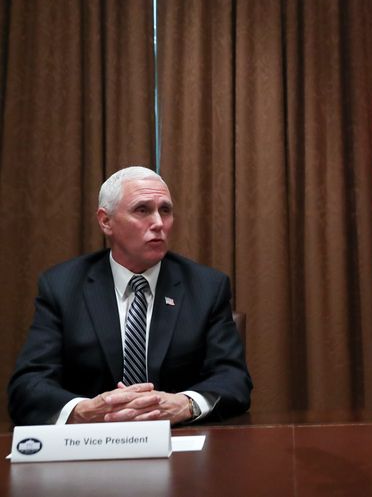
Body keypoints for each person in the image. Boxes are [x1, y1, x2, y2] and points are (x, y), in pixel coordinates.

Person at [8, 166, 252, 425]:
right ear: (106, 221)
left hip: (180, 443)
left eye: (165, 210)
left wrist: (185, 403)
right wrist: (85, 410)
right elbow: (27, 386)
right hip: (90, 446)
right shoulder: (62, 286)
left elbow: (233, 378)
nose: (158, 223)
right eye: (142, 210)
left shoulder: (206, 287)